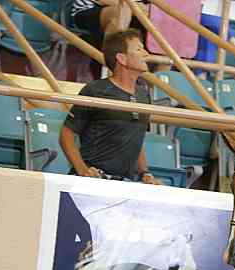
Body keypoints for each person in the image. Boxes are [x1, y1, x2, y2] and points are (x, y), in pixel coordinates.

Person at [60, 29, 160, 184]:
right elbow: (66, 134)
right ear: (122, 58)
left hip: (124, 184)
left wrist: (145, 173)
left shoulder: (143, 95)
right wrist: (82, 170)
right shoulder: (95, 90)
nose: (146, 54)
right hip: (93, 181)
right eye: (139, 49)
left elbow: (136, 138)